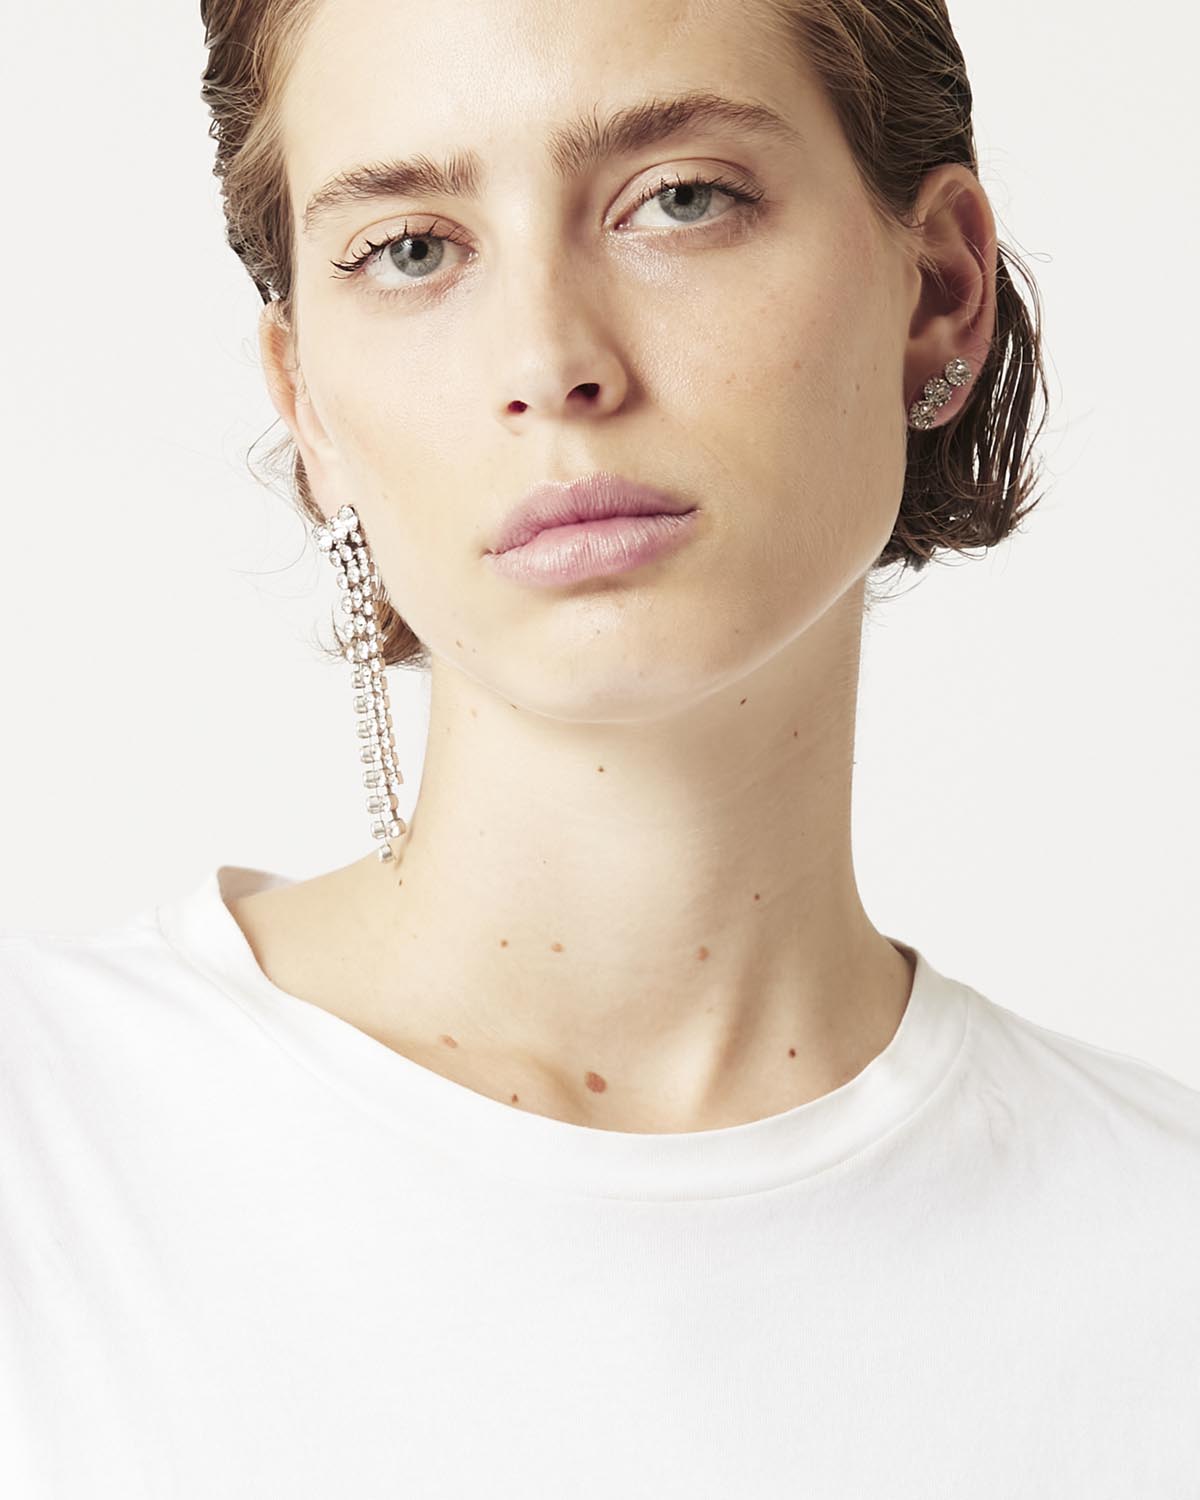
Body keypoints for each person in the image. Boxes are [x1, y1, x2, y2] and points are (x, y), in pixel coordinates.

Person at [1, 0, 1197, 1495]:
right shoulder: (41, 1147)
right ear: (307, 399)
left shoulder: (1164, 1254)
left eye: (680, 200)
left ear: (938, 292)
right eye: (413, 249)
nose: (551, 361)